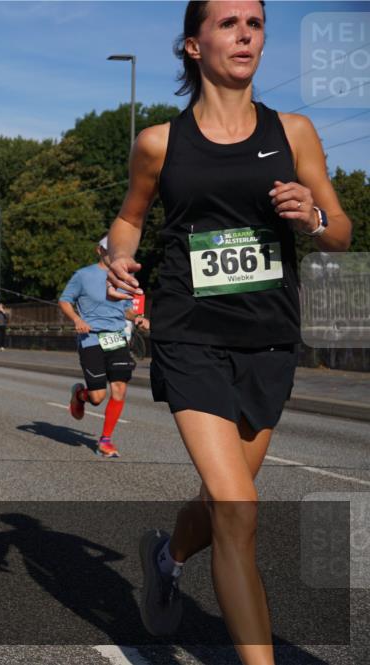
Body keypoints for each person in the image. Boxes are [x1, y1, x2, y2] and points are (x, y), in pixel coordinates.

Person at [105, 2, 352, 662]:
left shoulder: (293, 132)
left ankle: (167, 552)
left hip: (268, 338)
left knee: (223, 501)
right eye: (228, 23)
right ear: (194, 45)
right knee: (240, 510)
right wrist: (117, 257)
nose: (245, 34)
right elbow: (129, 219)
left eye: (256, 23)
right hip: (190, 335)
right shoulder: (160, 142)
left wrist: (311, 216)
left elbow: (340, 227)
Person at [60, 237, 147, 458]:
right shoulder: (83, 275)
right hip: (91, 339)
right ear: (99, 250)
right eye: (110, 251)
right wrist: (77, 320)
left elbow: (127, 308)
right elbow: (64, 301)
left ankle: (105, 440)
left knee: (119, 389)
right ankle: (80, 394)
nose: (115, 255)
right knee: (97, 397)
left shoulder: (125, 277)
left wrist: (137, 318)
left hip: (117, 338)